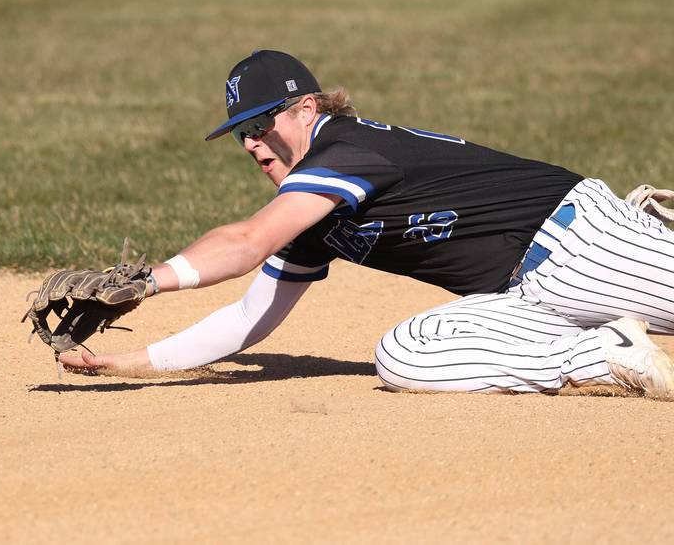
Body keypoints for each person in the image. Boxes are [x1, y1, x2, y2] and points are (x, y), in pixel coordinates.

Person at [59, 49, 674, 396]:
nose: (251, 143)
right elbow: (248, 318)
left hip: (579, 244)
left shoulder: (346, 150)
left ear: (305, 108)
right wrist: (131, 362)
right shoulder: (312, 207)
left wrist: (146, 280)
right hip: (525, 298)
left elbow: (246, 242)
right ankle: (602, 354)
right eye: (241, 133)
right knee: (403, 355)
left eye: (261, 124)